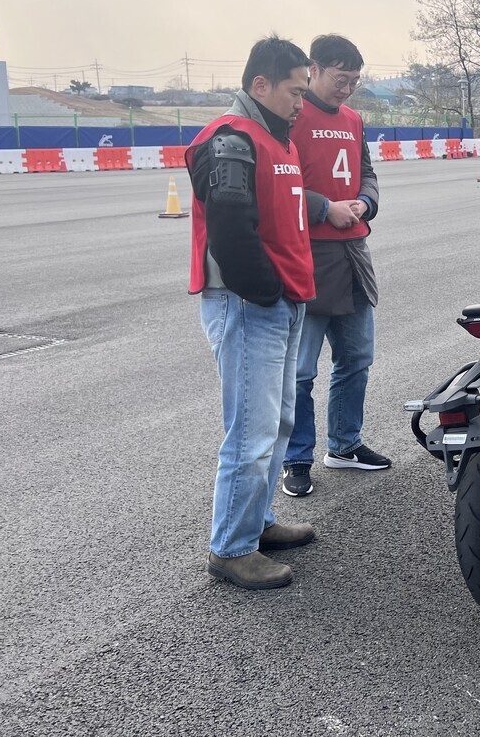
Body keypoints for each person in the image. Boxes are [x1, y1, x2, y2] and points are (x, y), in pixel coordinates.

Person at [186, 37, 319, 590]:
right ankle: (231, 548)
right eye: (294, 91)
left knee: (280, 421)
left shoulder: (276, 139)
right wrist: (265, 293)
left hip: (281, 304)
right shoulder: (232, 140)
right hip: (250, 306)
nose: (300, 103)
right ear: (260, 85)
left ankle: (258, 522)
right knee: (251, 432)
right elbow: (231, 232)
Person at [280, 34, 388, 499]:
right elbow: (277, 184)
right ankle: (296, 458)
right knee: (301, 371)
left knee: (356, 359)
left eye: (355, 82)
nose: (347, 89)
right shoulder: (292, 115)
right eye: (340, 79)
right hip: (308, 257)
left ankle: (345, 444)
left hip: (352, 255)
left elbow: (367, 173)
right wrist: (325, 208)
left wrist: (365, 202)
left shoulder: (353, 120)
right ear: (315, 70)